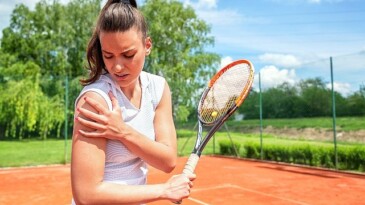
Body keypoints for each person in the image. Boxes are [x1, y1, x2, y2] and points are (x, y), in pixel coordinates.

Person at [71, 0, 195, 204]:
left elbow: (167, 160)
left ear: (147, 45)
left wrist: (122, 131)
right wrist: (164, 190)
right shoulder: (94, 100)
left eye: (128, 55)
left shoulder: (158, 88)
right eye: (108, 56)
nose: (117, 67)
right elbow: (86, 194)